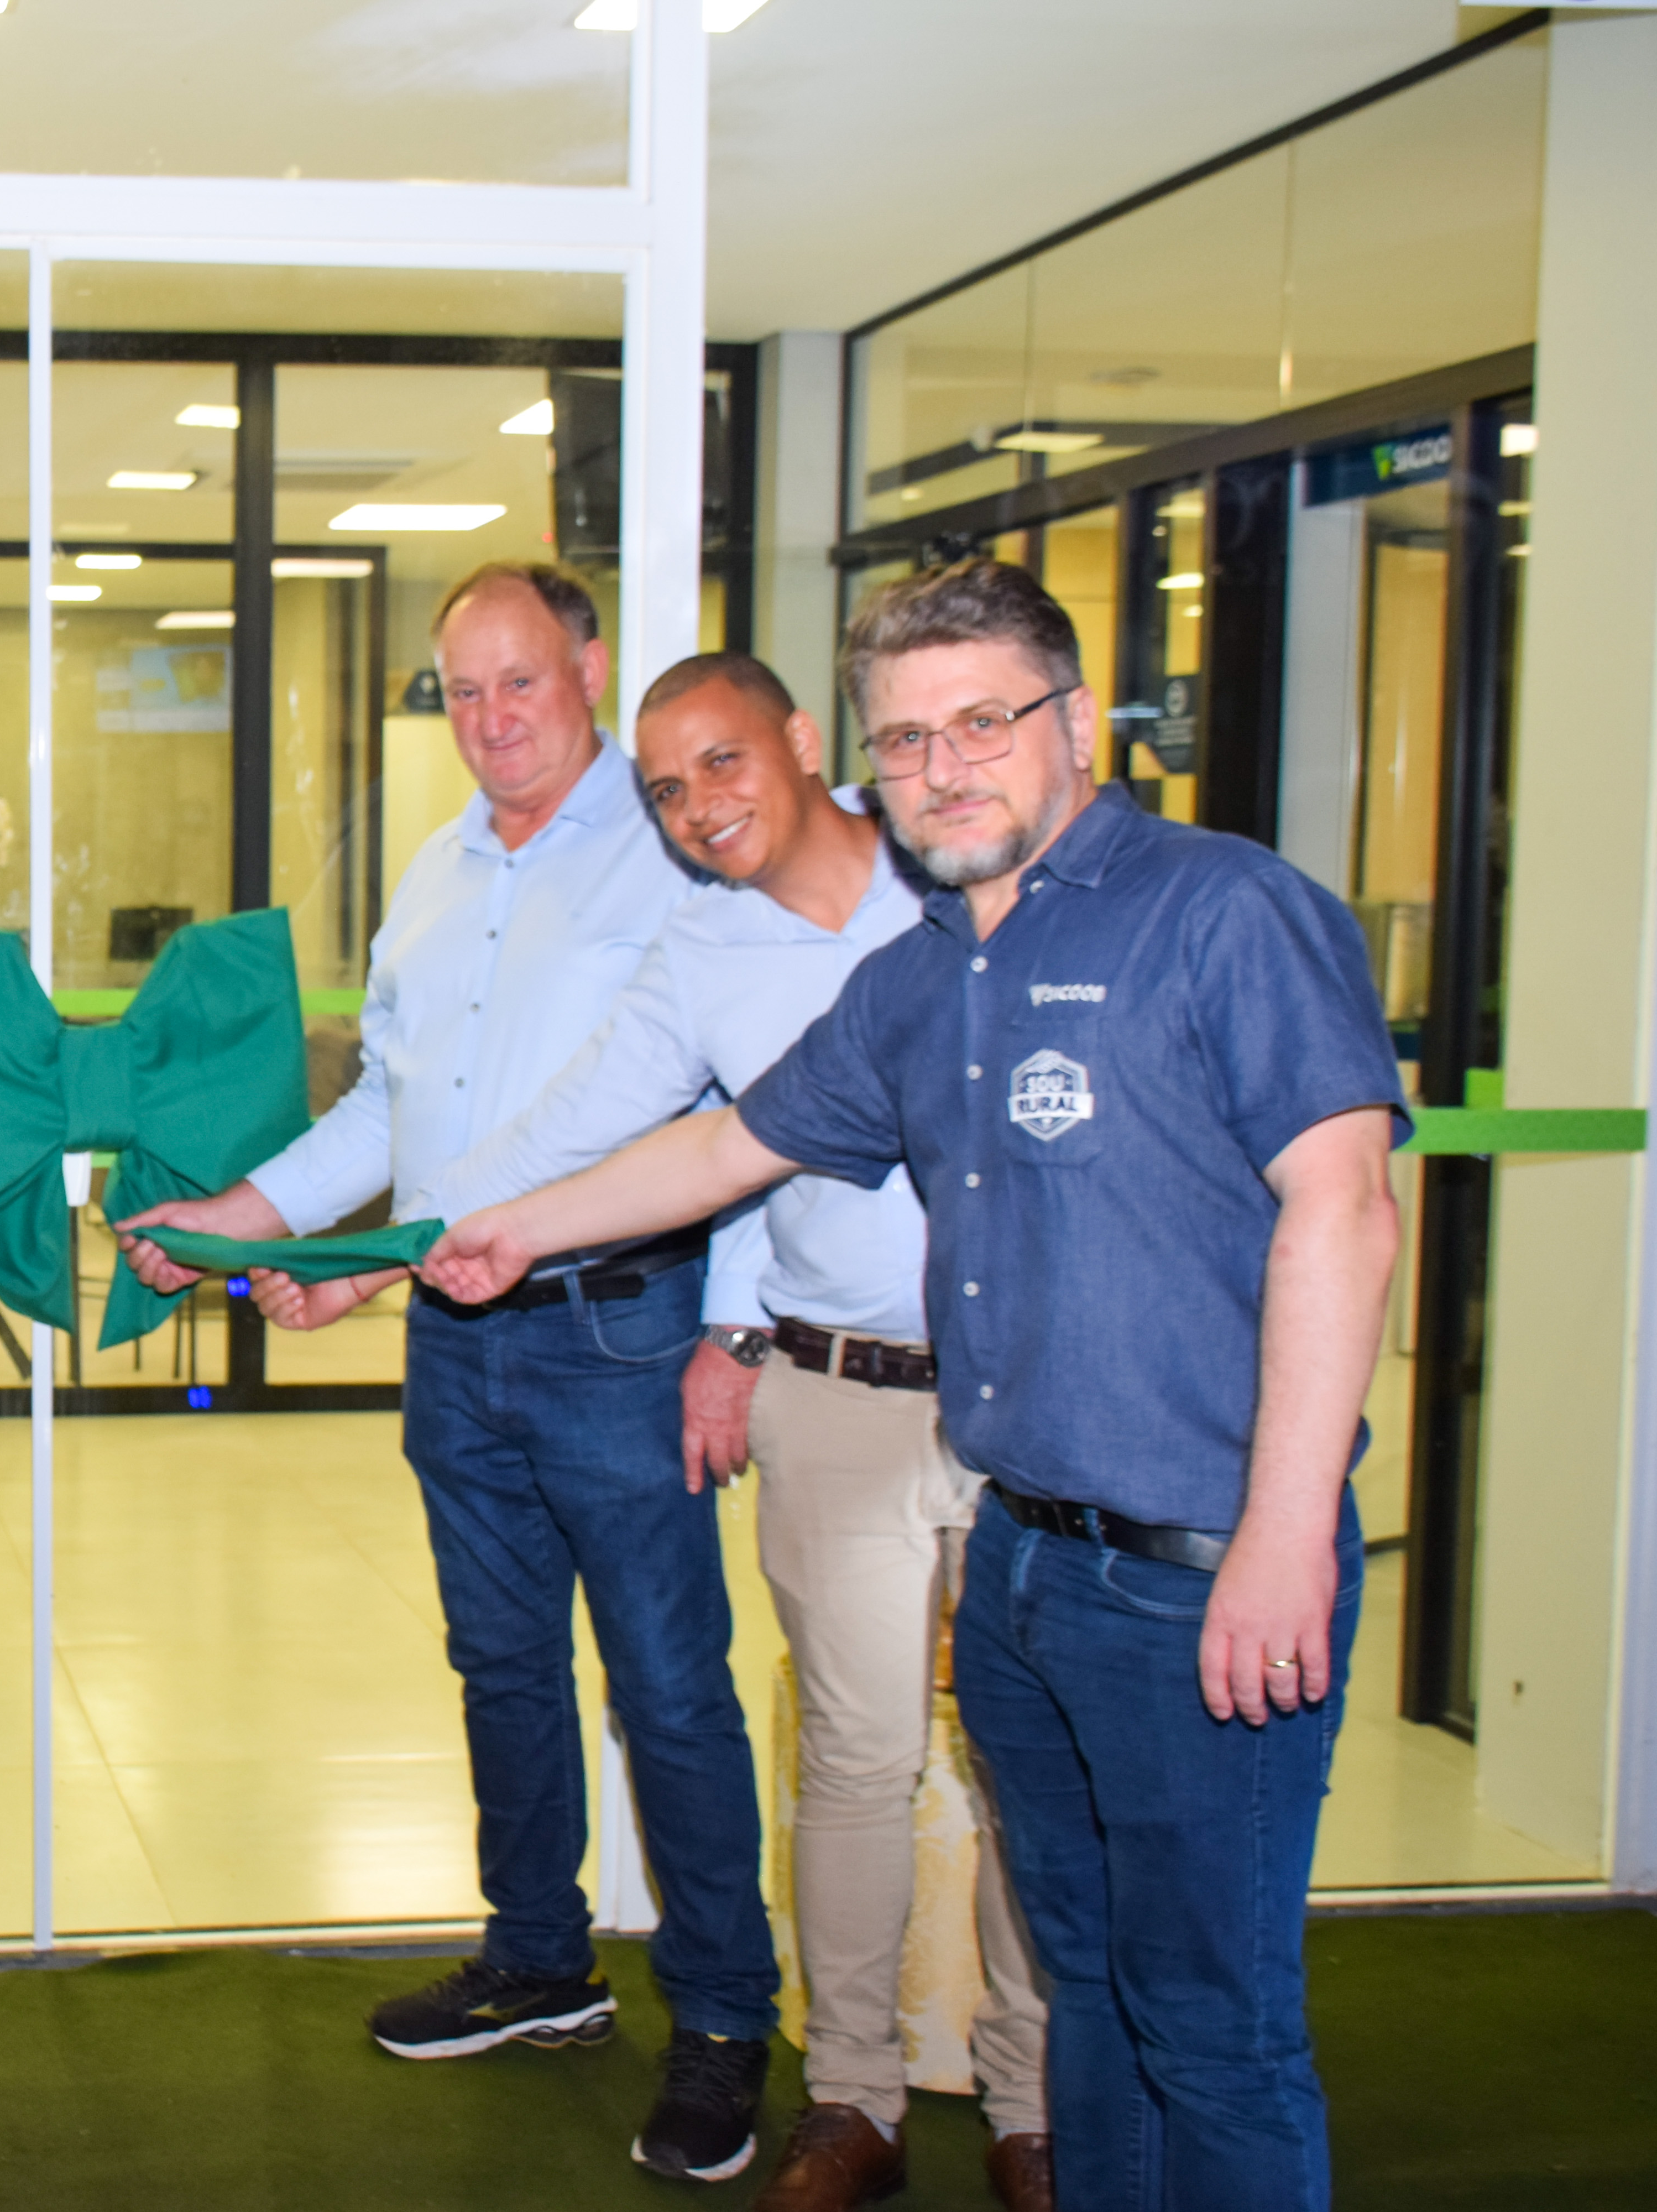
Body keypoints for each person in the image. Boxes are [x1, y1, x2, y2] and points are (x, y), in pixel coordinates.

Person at [422, 559, 1403, 2212]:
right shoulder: (930, 973)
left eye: (983, 723)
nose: (943, 769)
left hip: (1201, 1568)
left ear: (1076, 722)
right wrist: (501, 1233)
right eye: (909, 740)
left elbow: (1346, 1209)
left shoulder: (1224, 910)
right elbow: (728, 1146)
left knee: (1211, 2025)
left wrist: (1286, 1533)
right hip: (1027, 1557)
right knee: (1091, 1996)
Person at [116, 564, 783, 2185]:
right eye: (464, 690)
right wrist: (244, 1222)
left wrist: (735, 1334)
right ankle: (540, 1960)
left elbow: (747, 1111)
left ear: (590, 669)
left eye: (521, 681)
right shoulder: (433, 871)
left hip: (624, 1333)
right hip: (459, 1336)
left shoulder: (676, 852)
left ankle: (722, 2019)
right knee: (500, 1663)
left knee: (669, 1685)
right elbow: (388, 1111)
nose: (492, 719)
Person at [415, 650, 1050, 2212]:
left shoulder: (962, 882)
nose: (698, 805)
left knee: (1031, 1762)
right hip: (840, 1394)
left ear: (806, 742)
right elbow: (601, 1124)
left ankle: (1036, 2107)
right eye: (665, 789)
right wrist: (411, 1241)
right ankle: (852, 2100)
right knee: (852, 1765)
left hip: (1030, 1394)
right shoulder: (704, 948)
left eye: (722, 761)